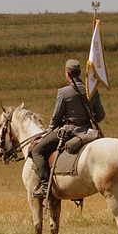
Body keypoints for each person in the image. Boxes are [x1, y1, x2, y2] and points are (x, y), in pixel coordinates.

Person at [31, 59, 105, 198]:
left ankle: (45, 187)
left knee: (37, 150)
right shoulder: (92, 90)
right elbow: (100, 116)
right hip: (88, 131)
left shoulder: (64, 92)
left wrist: (49, 131)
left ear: (67, 73)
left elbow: (56, 117)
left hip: (70, 132)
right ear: (79, 73)